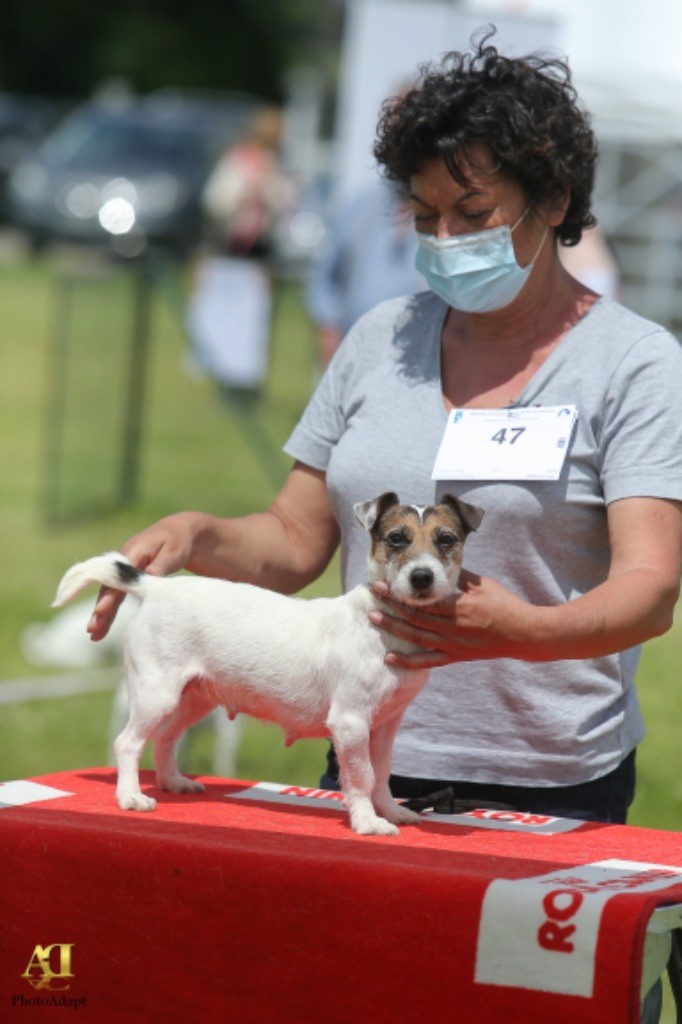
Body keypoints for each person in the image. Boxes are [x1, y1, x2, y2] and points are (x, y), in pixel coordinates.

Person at [90, 32, 682, 830]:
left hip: (545, 782)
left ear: (554, 200)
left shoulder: (636, 363)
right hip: (364, 750)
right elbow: (294, 539)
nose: (444, 240)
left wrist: (520, 633)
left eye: (473, 213)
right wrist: (196, 534)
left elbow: (649, 592)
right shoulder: (380, 338)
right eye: (425, 214)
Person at [186, 106, 296, 396]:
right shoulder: (237, 161)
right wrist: (244, 194)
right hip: (229, 249)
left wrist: (268, 194)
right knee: (226, 313)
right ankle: (223, 373)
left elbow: (286, 201)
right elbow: (216, 200)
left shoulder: (278, 165)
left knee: (254, 316)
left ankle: (248, 379)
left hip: (259, 252)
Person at [305, 179, 426, 366]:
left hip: (419, 354)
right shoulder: (362, 205)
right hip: (355, 347)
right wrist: (328, 331)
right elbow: (325, 276)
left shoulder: (441, 212)